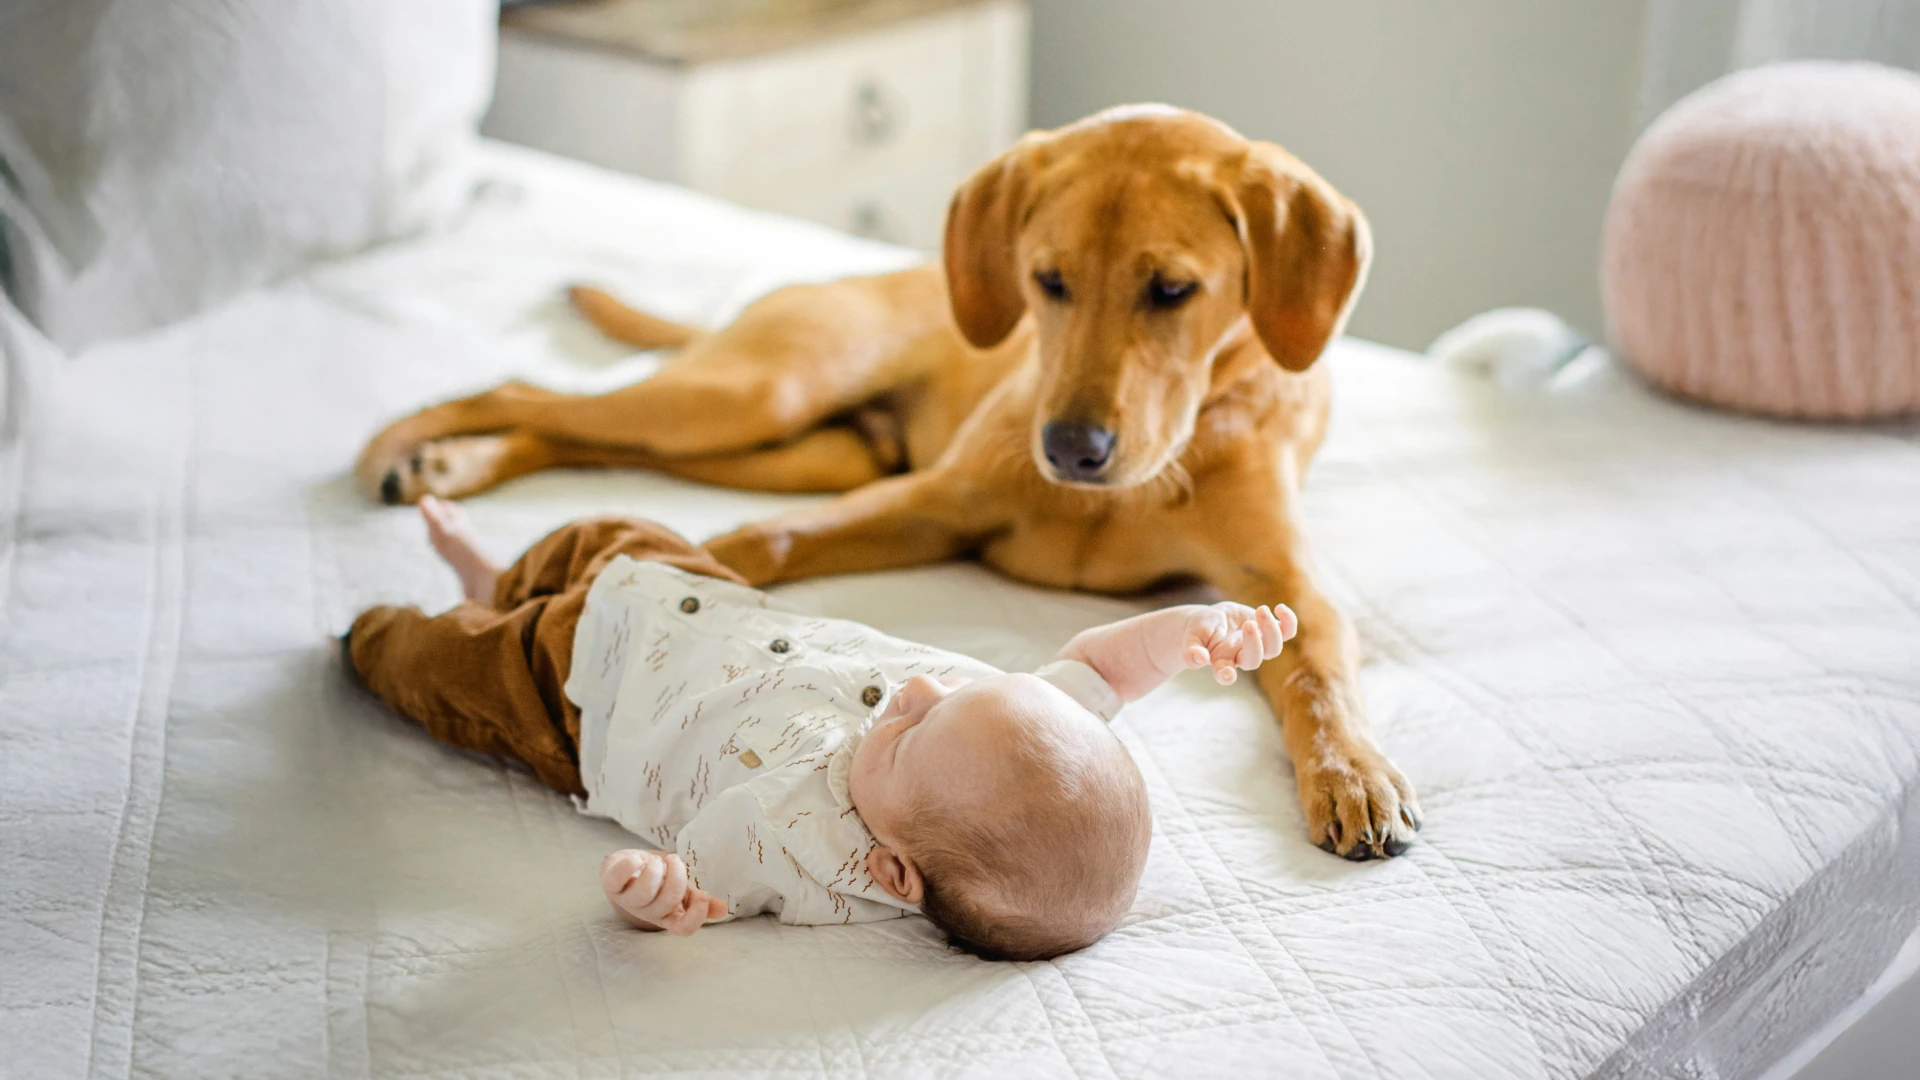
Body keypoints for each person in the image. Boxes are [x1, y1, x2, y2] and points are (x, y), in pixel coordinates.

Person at [344, 497, 1295, 961]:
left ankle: (387, 632)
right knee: (600, 535)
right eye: (955, 689)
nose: (918, 686)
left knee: (434, 667)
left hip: (572, 703)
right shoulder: (1010, 731)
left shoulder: (802, 857)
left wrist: (657, 895)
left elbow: (699, 889)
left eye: (913, 730)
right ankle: (499, 579)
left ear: (893, 872)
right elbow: (1101, 668)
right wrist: (1191, 633)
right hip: (695, 602)